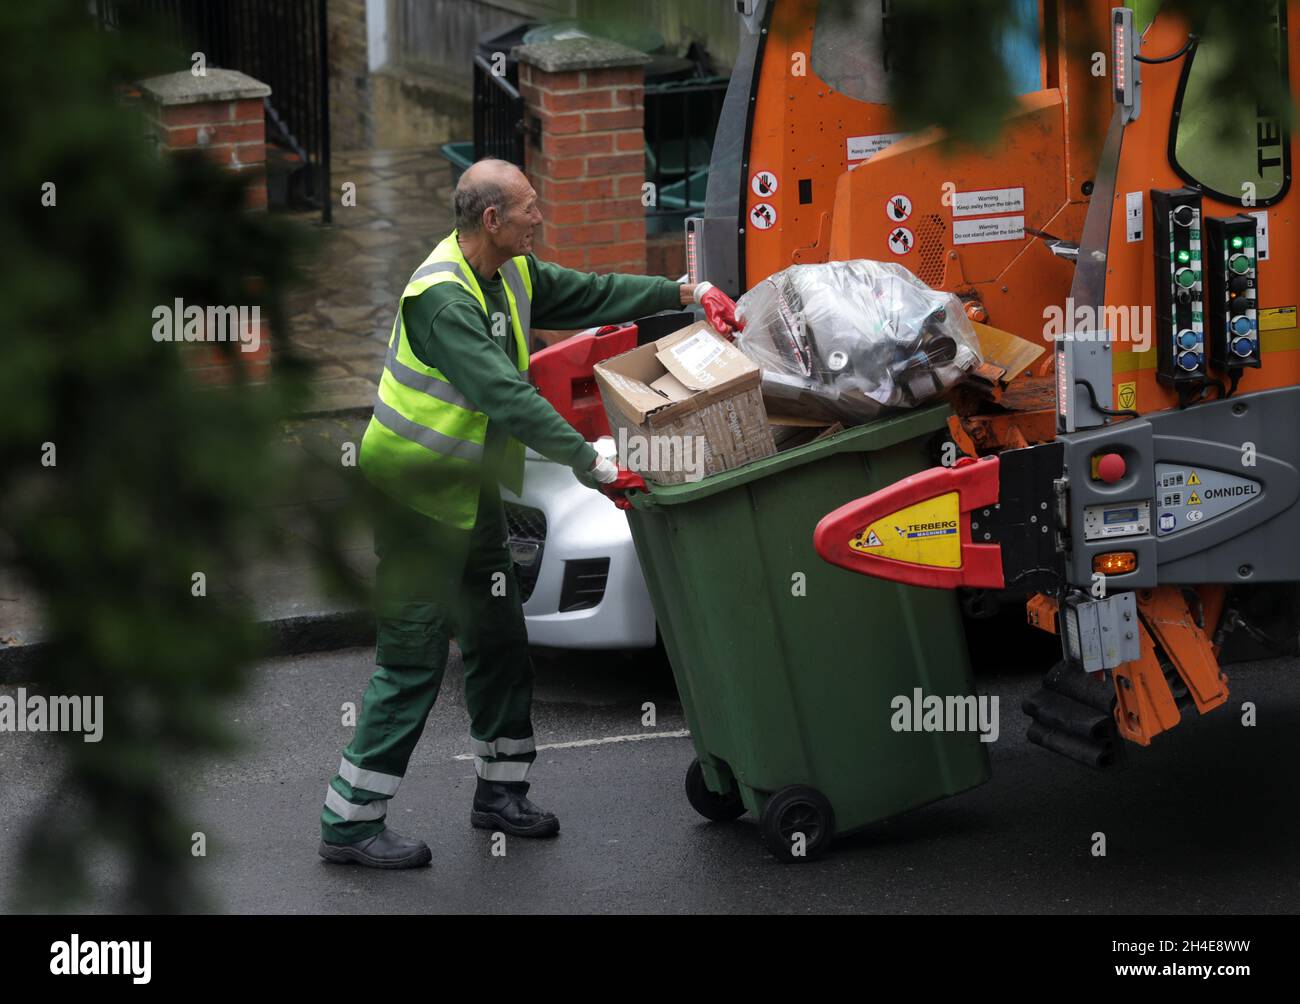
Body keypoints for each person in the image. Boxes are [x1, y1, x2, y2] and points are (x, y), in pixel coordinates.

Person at [318, 158, 741, 868]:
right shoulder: (443, 300)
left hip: (469, 493)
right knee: (413, 661)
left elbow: (589, 293)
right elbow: (507, 397)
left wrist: (685, 289)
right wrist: (595, 465)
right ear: (492, 220)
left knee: (499, 640)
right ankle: (349, 822)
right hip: (416, 503)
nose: (539, 218)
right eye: (529, 209)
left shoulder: (509, 273)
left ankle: (501, 793)